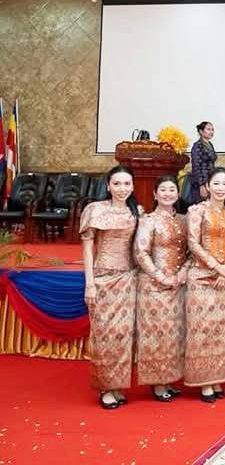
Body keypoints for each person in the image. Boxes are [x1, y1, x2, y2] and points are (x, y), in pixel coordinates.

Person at [80, 165, 141, 409]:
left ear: (133, 186)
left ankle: (118, 385)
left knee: (123, 335)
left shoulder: (136, 212)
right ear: (108, 186)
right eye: (117, 183)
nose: (122, 188)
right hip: (102, 278)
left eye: (127, 184)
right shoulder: (95, 210)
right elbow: (87, 249)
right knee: (104, 333)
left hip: (128, 279)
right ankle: (105, 387)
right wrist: (89, 284)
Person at [184, 167, 225, 402]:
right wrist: (217, 267)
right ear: (207, 186)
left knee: (220, 331)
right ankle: (203, 382)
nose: (220, 188)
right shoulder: (197, 210)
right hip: (202, 276)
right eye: (216, 183)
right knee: (202, 329)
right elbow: (193, 244)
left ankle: (216, 378)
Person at [134, 175, 187, 402]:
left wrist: (183, 272)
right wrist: (160, 276)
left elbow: (190, 251)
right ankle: (157, 384)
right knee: (156, 334)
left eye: (172, 189)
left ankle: (168, 379)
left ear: (177, 193)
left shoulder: (183, 219)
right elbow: (141, 253)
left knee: (173, 334)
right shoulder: (148, 220)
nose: (168, 194)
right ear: (155, 194)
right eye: (163, 190)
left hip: (178, 285)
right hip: (154, 286)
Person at [189, 121, 217, 205]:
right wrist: (201, 185)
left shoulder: (210, 144)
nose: (211, 132)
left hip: (210, 179)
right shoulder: (197, 145)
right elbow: (196, 166)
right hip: (201, 182)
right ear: (201, 131)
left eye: (212, 129)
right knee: (201, 205)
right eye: (208, 129)